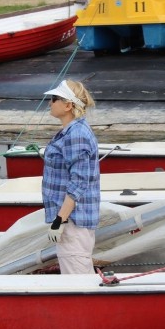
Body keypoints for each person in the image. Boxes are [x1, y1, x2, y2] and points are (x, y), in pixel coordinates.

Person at [41, 79, 100, 274]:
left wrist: (60, 220)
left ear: (68, 105)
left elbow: (79, 182)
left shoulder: (76, 134)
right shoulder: (71, 131)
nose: (50, 102)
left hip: (73, 221)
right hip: (71, 219)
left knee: (79, 281)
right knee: (76, 276)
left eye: (54, 98)